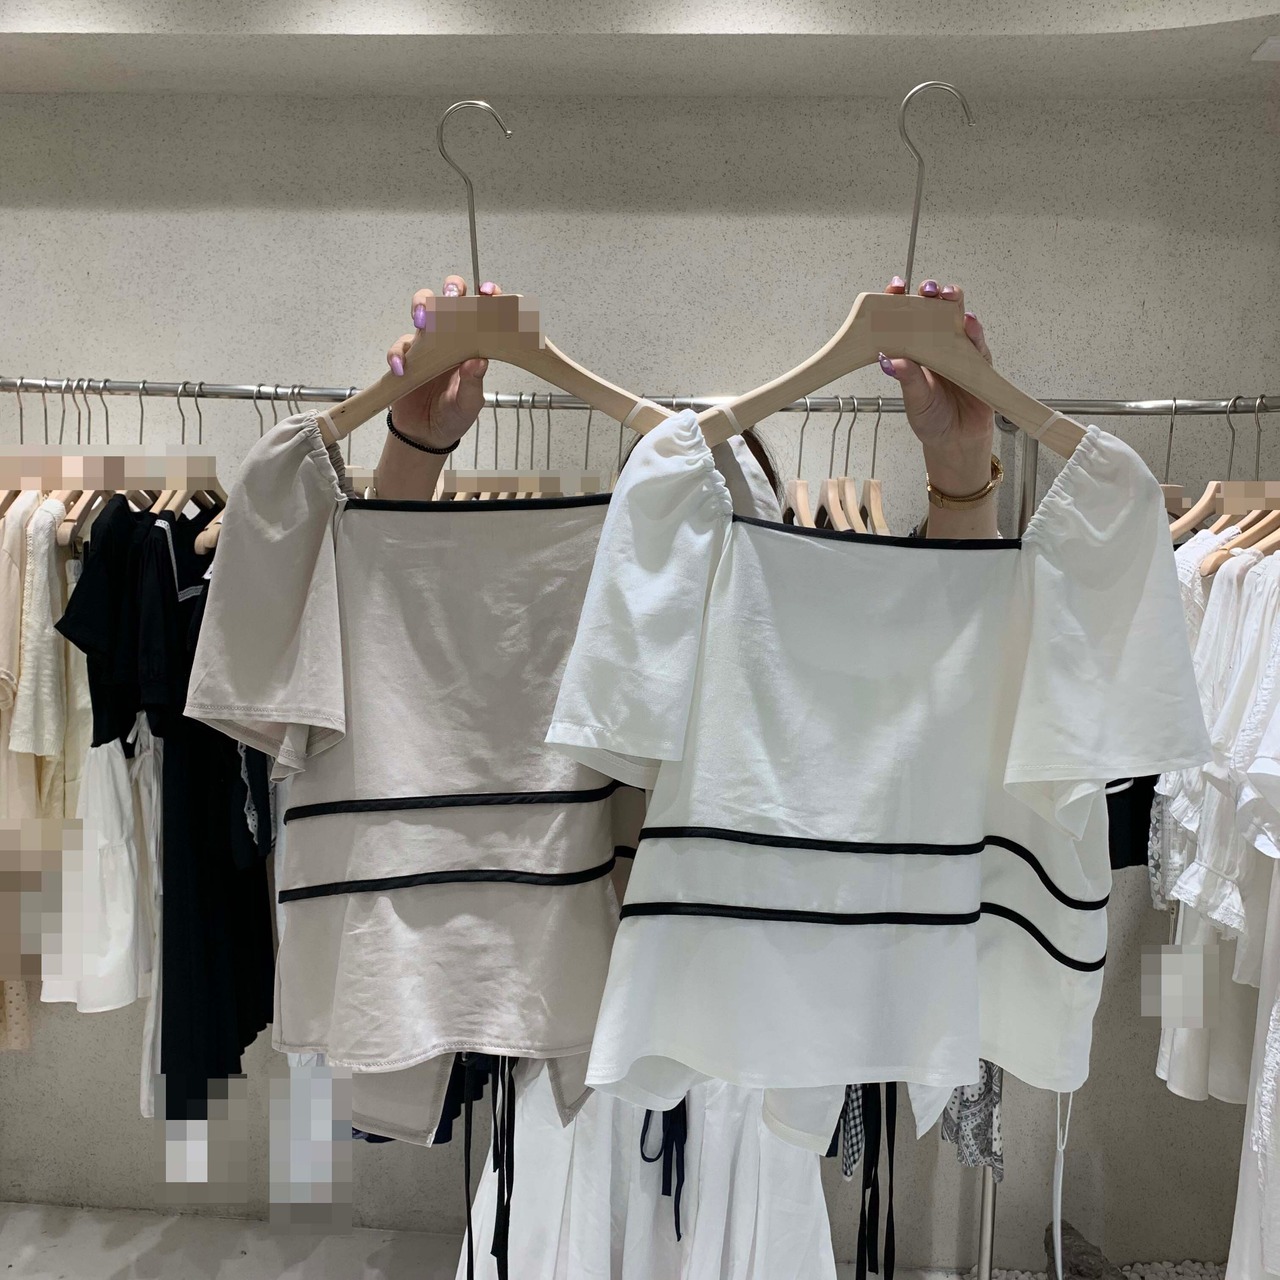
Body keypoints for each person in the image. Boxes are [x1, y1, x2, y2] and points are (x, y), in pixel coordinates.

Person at [375, 274, 1002, 539]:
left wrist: (962, 457)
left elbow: (956, 622)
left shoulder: (828, 605)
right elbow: (395, 617)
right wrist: (417, 444)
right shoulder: (566, 609)